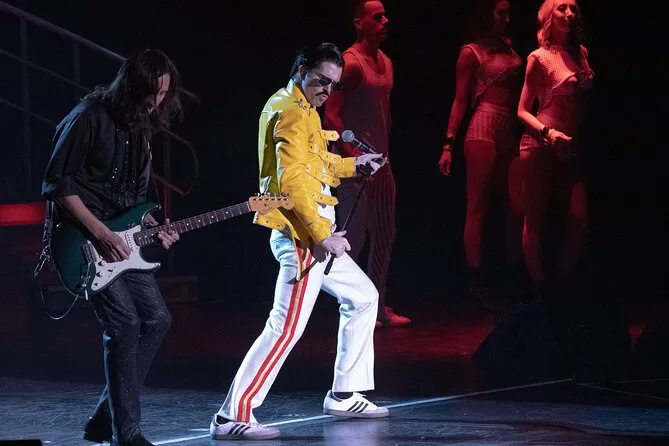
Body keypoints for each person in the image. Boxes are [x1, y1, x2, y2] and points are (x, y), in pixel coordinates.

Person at [209, 42, 389, 441]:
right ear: (302, 70)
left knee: (363, 298)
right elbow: (292, 181)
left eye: (334, 84)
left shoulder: (304, 108)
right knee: (285, 327)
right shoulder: (289, 111)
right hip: (302, 237)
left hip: (316, 236)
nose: (328, 90)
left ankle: (344, 394)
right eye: (322, 80)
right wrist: (323, 236)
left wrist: (353, 165)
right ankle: (230, 416)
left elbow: (315, 164)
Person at [41, 49, 183, 446]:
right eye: (150, 93)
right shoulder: (87, 117)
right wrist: (101, 233)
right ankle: (127, 433)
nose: (155, 102)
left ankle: (106, 418)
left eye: (162, 94)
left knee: (157, 319)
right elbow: (56, 185)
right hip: (84, 240)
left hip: (122, 241)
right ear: (130, 87)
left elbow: (135, 197)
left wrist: (153, 226)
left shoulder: (140, 128)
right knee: (124, 325)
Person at [323, 0, 411, 327]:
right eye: (377, 17)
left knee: (385, 235)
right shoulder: (351, 63)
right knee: (354, 238)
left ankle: (377, 306)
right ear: (359, 23)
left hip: (381, 163)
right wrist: (353, 157)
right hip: (355, 165)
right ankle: (352, 305)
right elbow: (331, 115)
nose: (385, 21)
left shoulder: (386, 62)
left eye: (385, 15)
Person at [438, 0, 524, 305]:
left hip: (508, 125)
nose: (507, 18)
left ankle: (515, 276)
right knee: (478, 207)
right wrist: (448, 144)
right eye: (501, 12)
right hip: (483, 125)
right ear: (488, 13)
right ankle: (475, 281)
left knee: (516, 207)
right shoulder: (471, 51)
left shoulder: (508, 47)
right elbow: (460, 100)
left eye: (509, 12)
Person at [516, 0, 593, 299]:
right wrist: (548, 133)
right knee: (534, 219)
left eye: (573, 8)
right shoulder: (540, 58)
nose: (570, 13)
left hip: (568, 145)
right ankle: (540, 292)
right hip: (540, 143)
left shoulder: (581, 53)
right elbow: (522, 110)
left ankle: (560, 286)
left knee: (580, 221)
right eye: (562, 8)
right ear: (550, 16)